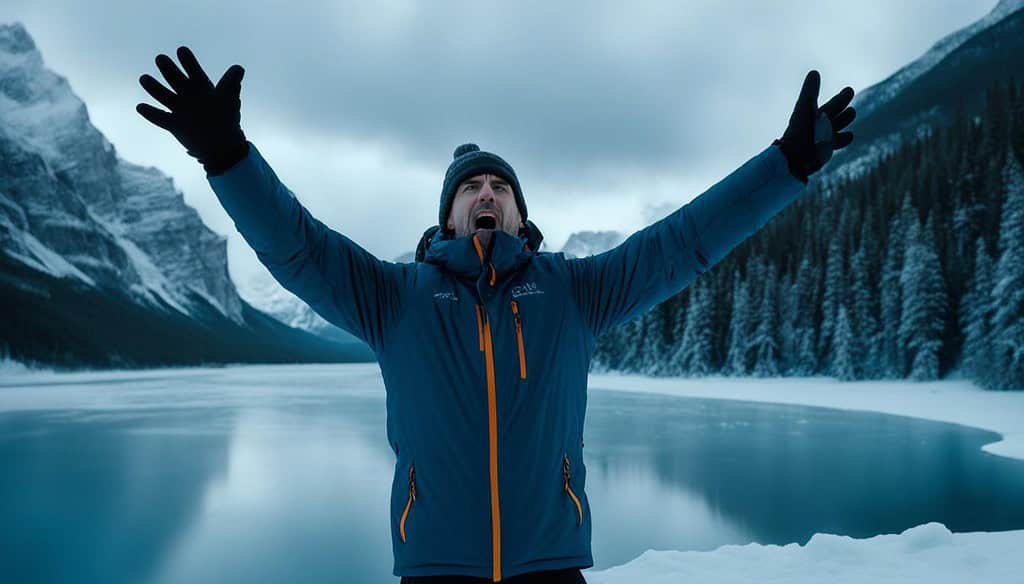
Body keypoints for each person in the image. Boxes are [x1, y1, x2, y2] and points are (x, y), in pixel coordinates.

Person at [137, 46, 855, 583]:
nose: (486, 194)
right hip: (435, 568)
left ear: (519, 210)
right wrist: (228, 156)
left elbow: (684, 242)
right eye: (471, 186)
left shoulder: (575, 292)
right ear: (447, 214)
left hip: (553, 563)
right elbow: (298, 247)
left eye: (499, 186)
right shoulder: (394, 298)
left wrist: (784, 166)